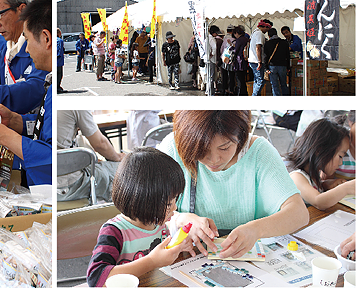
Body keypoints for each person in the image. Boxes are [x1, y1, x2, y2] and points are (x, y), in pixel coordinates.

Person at [159, 110, 308, 259]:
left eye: (224, 147)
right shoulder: (174, 147)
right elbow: (149, 212)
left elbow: (299, 214)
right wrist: (180, 220)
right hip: (186, 257)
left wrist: (256, 229)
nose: (214, 160)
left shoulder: (259, 153)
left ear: (241, 135)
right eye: (202, 150)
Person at [0, 0, 52, 187]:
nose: (26, 49)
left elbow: (51, 157)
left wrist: (5, 136)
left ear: (46, 38)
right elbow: (44, 127)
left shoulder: (48, 82)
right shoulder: (6, 51)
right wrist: (17, 121)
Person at [87, 147, 195, 288]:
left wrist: (178, 247)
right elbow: (96, 278)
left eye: (175, 199)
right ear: (145, 202)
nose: (175, 208)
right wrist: (152, 261)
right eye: (169, 203)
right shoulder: (115, 232)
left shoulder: (159, 224)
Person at [56, 110, 125, 202]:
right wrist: (119, 157)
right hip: (68, 185)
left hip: (51, 179)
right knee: (121, 169)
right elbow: (100, 144)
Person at [287, 118, 355, 210]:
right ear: (319, 150)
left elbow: (311, 188)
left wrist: (324, 184)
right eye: (340, 156)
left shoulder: (313, 177)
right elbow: (318, 201)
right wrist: (346, 188)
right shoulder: (297, 177)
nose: (341, 162)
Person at [263, 28, 290, 96]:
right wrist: (288, 67)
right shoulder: (284, 42)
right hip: (283, 66)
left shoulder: (267, 43)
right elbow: (288, 55)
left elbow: (265, 56)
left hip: (272, 66)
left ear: (269, 36)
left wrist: (266, 68)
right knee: (283, 84)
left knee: (274, 85)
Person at [249, 20, 271, 96]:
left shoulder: (254, 33)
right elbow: (258, 47)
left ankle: (256, 97)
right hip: (256, 61)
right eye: (268, 29)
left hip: (252, 60)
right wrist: (259, 61)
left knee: (257, 80)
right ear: (265, 27)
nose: (268, 31)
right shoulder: (259, 34)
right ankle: (254, 97)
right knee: (260, 81)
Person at [231, 26, 249, 96]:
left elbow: (236, 50)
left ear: (236, 33)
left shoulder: (239, 40)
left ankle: (240, 94)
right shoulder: (246, 39)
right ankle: (245, 93)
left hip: (239, 62)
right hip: (245, 61)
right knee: (243, 79)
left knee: (239, 80)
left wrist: (232, 48)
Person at [220, 25, 236, 95]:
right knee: (232, 75)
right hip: (231, 60)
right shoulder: (234, 40)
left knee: (224, 75)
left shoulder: (224, 39)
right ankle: (231, 90)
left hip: (224, 59)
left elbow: (221, 50)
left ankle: (225, 89)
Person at [205, 26, 220, 96]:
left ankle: (208, 90)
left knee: (208, 76)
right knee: (211, 76)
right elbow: (214, 48)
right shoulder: (212, 39)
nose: (217, 34)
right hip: (211, 59)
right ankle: (210, 92)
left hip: (207, 59)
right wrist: (212, 54)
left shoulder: (207, 38)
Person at [56, 28, 66, 93]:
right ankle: (57, 87)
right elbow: (59, 51)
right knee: (59, 74)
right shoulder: (59, 40)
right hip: (58, 61)